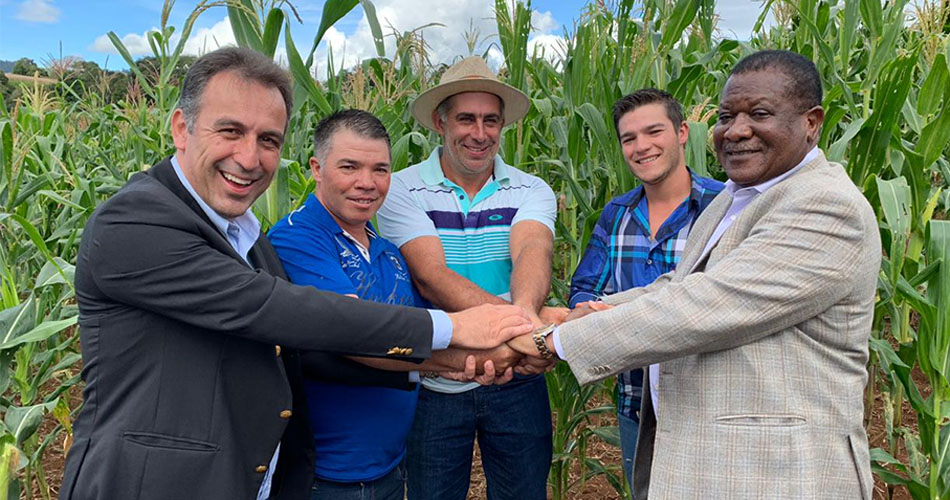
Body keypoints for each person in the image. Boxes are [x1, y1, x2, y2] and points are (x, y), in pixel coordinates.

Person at [60, 47, 533, 500]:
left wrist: (463, 361)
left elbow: (306, 350)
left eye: (268, 140)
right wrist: (455, 326)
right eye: (230, 131)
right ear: (182, 129)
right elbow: (275, 311)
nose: (250, 158)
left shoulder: (247, 236)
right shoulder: (135, 223)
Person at [513, 50, 879, 499]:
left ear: (812, 121)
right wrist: (583, 314)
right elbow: (681, 284)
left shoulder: (825, 206)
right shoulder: (733, 198)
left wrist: (551, 340)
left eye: (759, 114)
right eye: (726, 116)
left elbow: (707, 305)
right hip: (712, 456)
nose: (736, 130)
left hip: (779, 472)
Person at [268, 109, 522, 500]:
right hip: (327, 475)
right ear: (317, 168)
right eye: (349, 167)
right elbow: (354, 333)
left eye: (380, 170)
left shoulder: (386, 251)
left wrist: (516, 339)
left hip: (388, 467)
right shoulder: (297, 238)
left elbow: (424, 327)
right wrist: (477, 353)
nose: (366, 184)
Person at [376, 56, 562, 500]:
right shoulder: (399, 189)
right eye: (466, 119)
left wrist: (514, 344)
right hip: (435, 379)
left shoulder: (531, 189)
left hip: (518, 381)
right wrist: (532, 335)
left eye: (491, 121)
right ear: (440, 123)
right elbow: (431, 276)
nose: (480, 134)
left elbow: (532, 251)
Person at [569, 88, 723, 491]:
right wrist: (579, 316)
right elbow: (587, 289)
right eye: (628, 138)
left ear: (683, 132)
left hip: (707, 403)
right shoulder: (616, 214)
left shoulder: (723, 207)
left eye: (654, 131)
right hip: (636, 402)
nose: (641, 147)